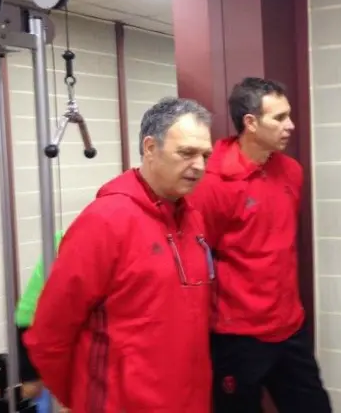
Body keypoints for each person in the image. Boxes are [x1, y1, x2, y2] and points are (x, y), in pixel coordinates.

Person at [23, 97, 215, 412]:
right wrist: (84, 399)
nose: (199, 166)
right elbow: (48, 335)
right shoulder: (105, 221)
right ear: (150, 148)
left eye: (205, 155)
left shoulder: (192, 218)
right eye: (187, 153)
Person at [188, 77, 332, 413]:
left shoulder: (291, 172)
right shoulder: (212, 183)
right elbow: (197, 256)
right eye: (279, 118)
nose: (290, 126)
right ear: (250, 123)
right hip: (237, 336)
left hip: (289, 327)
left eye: (289, 116)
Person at [15, 230, 65, 412]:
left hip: (40, 324)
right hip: (31, 323)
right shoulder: (69, 242)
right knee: (33, 388)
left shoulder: (66, 237)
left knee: (42, 388)